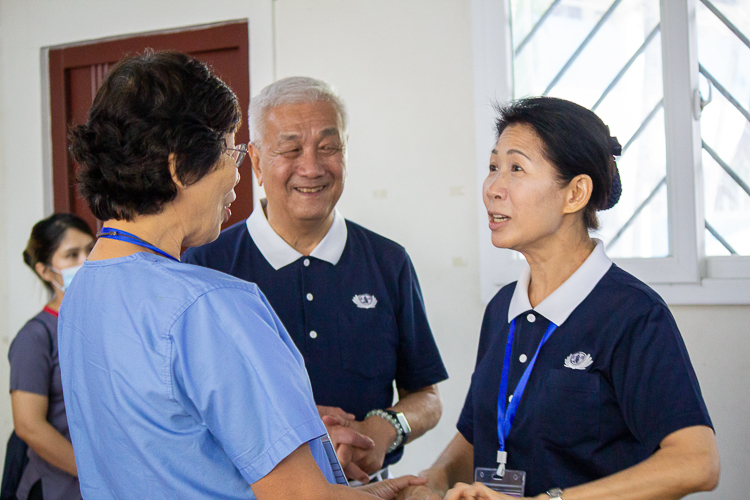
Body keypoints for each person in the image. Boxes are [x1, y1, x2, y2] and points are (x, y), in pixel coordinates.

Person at [58, 51, 422, 500]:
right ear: (180, 166)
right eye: (231, 152)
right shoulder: (210, 304)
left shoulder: (82, 291)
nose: (236, 177)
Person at [400, 97, 720, 500]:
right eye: (493, 167)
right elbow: (479, 433)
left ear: (575, 193)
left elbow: (696, 462)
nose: (492, 189)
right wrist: (436, 478)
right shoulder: (503, 309)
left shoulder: (634, 315)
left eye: (516, 168)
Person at [182, 76, 449, 483]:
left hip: (364, 490)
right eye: (290, 149)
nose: (311, 167)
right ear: (254, 160)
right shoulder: (206, 264)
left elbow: (427, 397)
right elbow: (184, 406)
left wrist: (385, 428)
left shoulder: (387, 261)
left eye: (329, 147)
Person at [10, 213, 94, 500]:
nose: (85, 261)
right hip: (59, 488)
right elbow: (28, 426)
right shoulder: (36, 337)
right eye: (71, 255)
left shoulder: (103, 325)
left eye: (90, 250)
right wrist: (93, 473)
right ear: (45, 271)